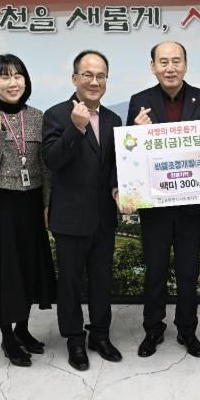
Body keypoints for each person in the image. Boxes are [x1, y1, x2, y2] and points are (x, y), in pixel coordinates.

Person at [127, 41, 200, 358]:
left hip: (192, 203)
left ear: (186, 64)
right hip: (154, 206)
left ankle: (187, 331)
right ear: (152, 66)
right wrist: (135, 131)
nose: (170, 68)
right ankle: (153, 330)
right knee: (155, 271)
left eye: (176, 61)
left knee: (188, 272)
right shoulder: (140, 101)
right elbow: (130, 153)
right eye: (163, 61)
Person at [0, 53, 55, 368]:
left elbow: (45, 167)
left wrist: (47, 203)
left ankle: (23, 329)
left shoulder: (37, 116)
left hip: (31, 203)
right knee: (5, 272)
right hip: (0, 204)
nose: (13, 82)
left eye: (18, 75)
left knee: (29, 267)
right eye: (4, 76)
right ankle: (8, 337)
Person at [42, 50, 123, 371]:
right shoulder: (56, 115)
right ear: (74, 78)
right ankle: (75, 340)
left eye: (101, 75)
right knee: (70, 284)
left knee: (102, 281)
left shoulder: (114, 119)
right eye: (87, 75)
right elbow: (52, 160)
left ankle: (100, 335)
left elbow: (114, 168)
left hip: (104, 217)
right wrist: (75, 129)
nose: (94, 81)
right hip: (70, 218)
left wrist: (118, 189)